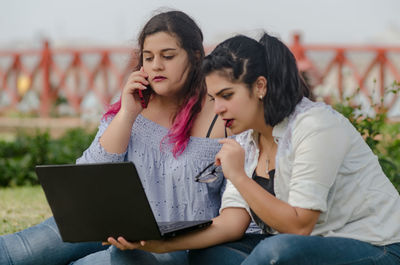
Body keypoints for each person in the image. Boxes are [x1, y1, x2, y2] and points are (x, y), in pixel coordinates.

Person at [0, 10, 264, 265]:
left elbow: (235, 212)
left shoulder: (224, 115)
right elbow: (89, 178)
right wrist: (127, 114)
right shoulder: (133, 106)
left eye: (168, 56)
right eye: (148, 58)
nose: (156, 65)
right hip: (107, 222)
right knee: (19, 252)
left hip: (173, 246)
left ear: (196, 56)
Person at [201, 33, 400, 264]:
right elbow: (231, 224)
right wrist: (163, 242)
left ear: (260, 86)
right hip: (304, 246)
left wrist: (238, 176)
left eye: (226, 95)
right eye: (212, 98)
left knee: (276, 252)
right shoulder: (247, 139)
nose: (218, 109)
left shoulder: (316, 125)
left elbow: (299, 225)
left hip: (376, 246)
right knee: (211, 254)